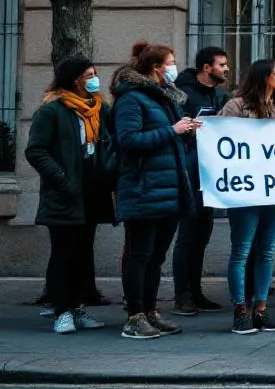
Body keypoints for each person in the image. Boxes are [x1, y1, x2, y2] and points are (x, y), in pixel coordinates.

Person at [113, 42, 198, 340]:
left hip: (168, 189)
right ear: (156, 68)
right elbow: (128, 140)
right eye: (171, 62)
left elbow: (172, 142)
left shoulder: (164, 98)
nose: (175, 67)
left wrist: (186, 131)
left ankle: (150, 310)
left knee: (156, 256)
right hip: (144, 188)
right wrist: (171, 131)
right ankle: (134, 316)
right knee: (140, 254)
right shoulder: (131, 99)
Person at [26, 57, 116, 334]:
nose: (94, 79)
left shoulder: (100, 108)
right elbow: (36, 150)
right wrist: (61, 179)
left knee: (82, 252)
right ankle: (62, 310)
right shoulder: (53, 110)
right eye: (88, 74)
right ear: (74, 79)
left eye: (95, 74)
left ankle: (77, 308)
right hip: (65, 192)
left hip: (91, 190)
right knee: (64, 252)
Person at [219, 59, 275, 334]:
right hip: (245, 190)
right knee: (241, 251)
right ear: (263, 77)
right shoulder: (236, 106)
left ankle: (260, 309)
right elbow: (222, 142)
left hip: (274, 189)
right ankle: (240, 310)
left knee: (267, 251)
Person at [171, 46, 229, 316]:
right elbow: (175, 128)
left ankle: (196, 291)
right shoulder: (184, 94)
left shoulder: (219, 96)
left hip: (211, 176)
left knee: (202, 236)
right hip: (189, 173)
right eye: (221, 64)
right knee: (187, 236)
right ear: (207, 67)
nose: (226, 69)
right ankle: (182, 295)